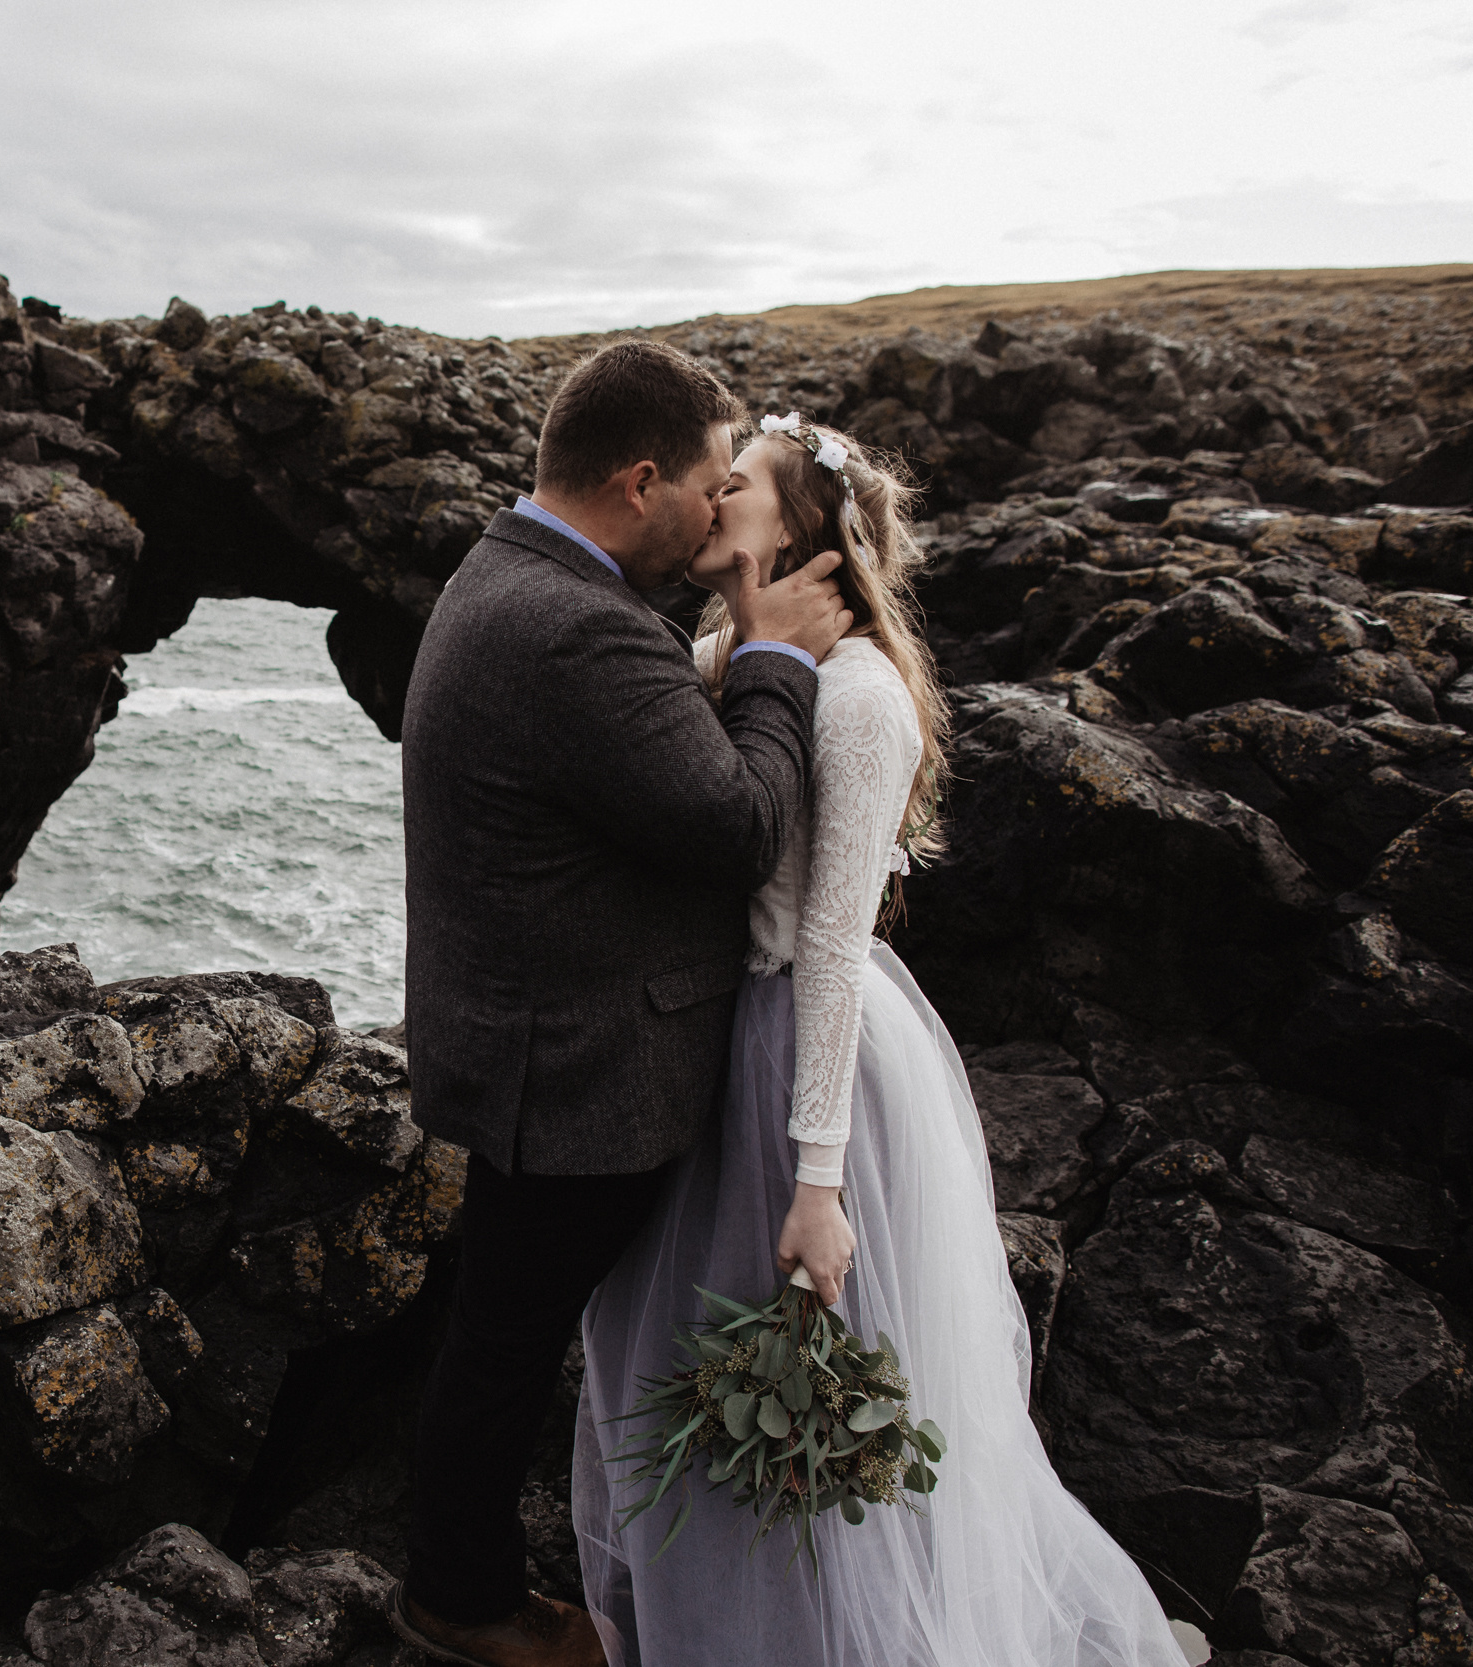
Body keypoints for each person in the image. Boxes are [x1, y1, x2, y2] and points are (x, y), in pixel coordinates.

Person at [568, 415, 1192, 1666]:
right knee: (684, 1371)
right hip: (715, 1055)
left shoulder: (858, 696)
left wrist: (816, 1185)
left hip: (809, 1067)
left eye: (731, 483)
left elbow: (836, 949)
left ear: (795, 527)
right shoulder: (725, 653)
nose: (705, 496)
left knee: (787, 1390)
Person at [389, 342, 853, 1667]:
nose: (720, 511)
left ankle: (481, 1579)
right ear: (641, 479)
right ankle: (462, 1600)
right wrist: (773, 659)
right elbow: (738, 823)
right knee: (509, 1338)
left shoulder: (515, 571)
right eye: (709, 484)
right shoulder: (575, 627)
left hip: (526, 1032)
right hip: (573, 1064)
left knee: (507, 1325)